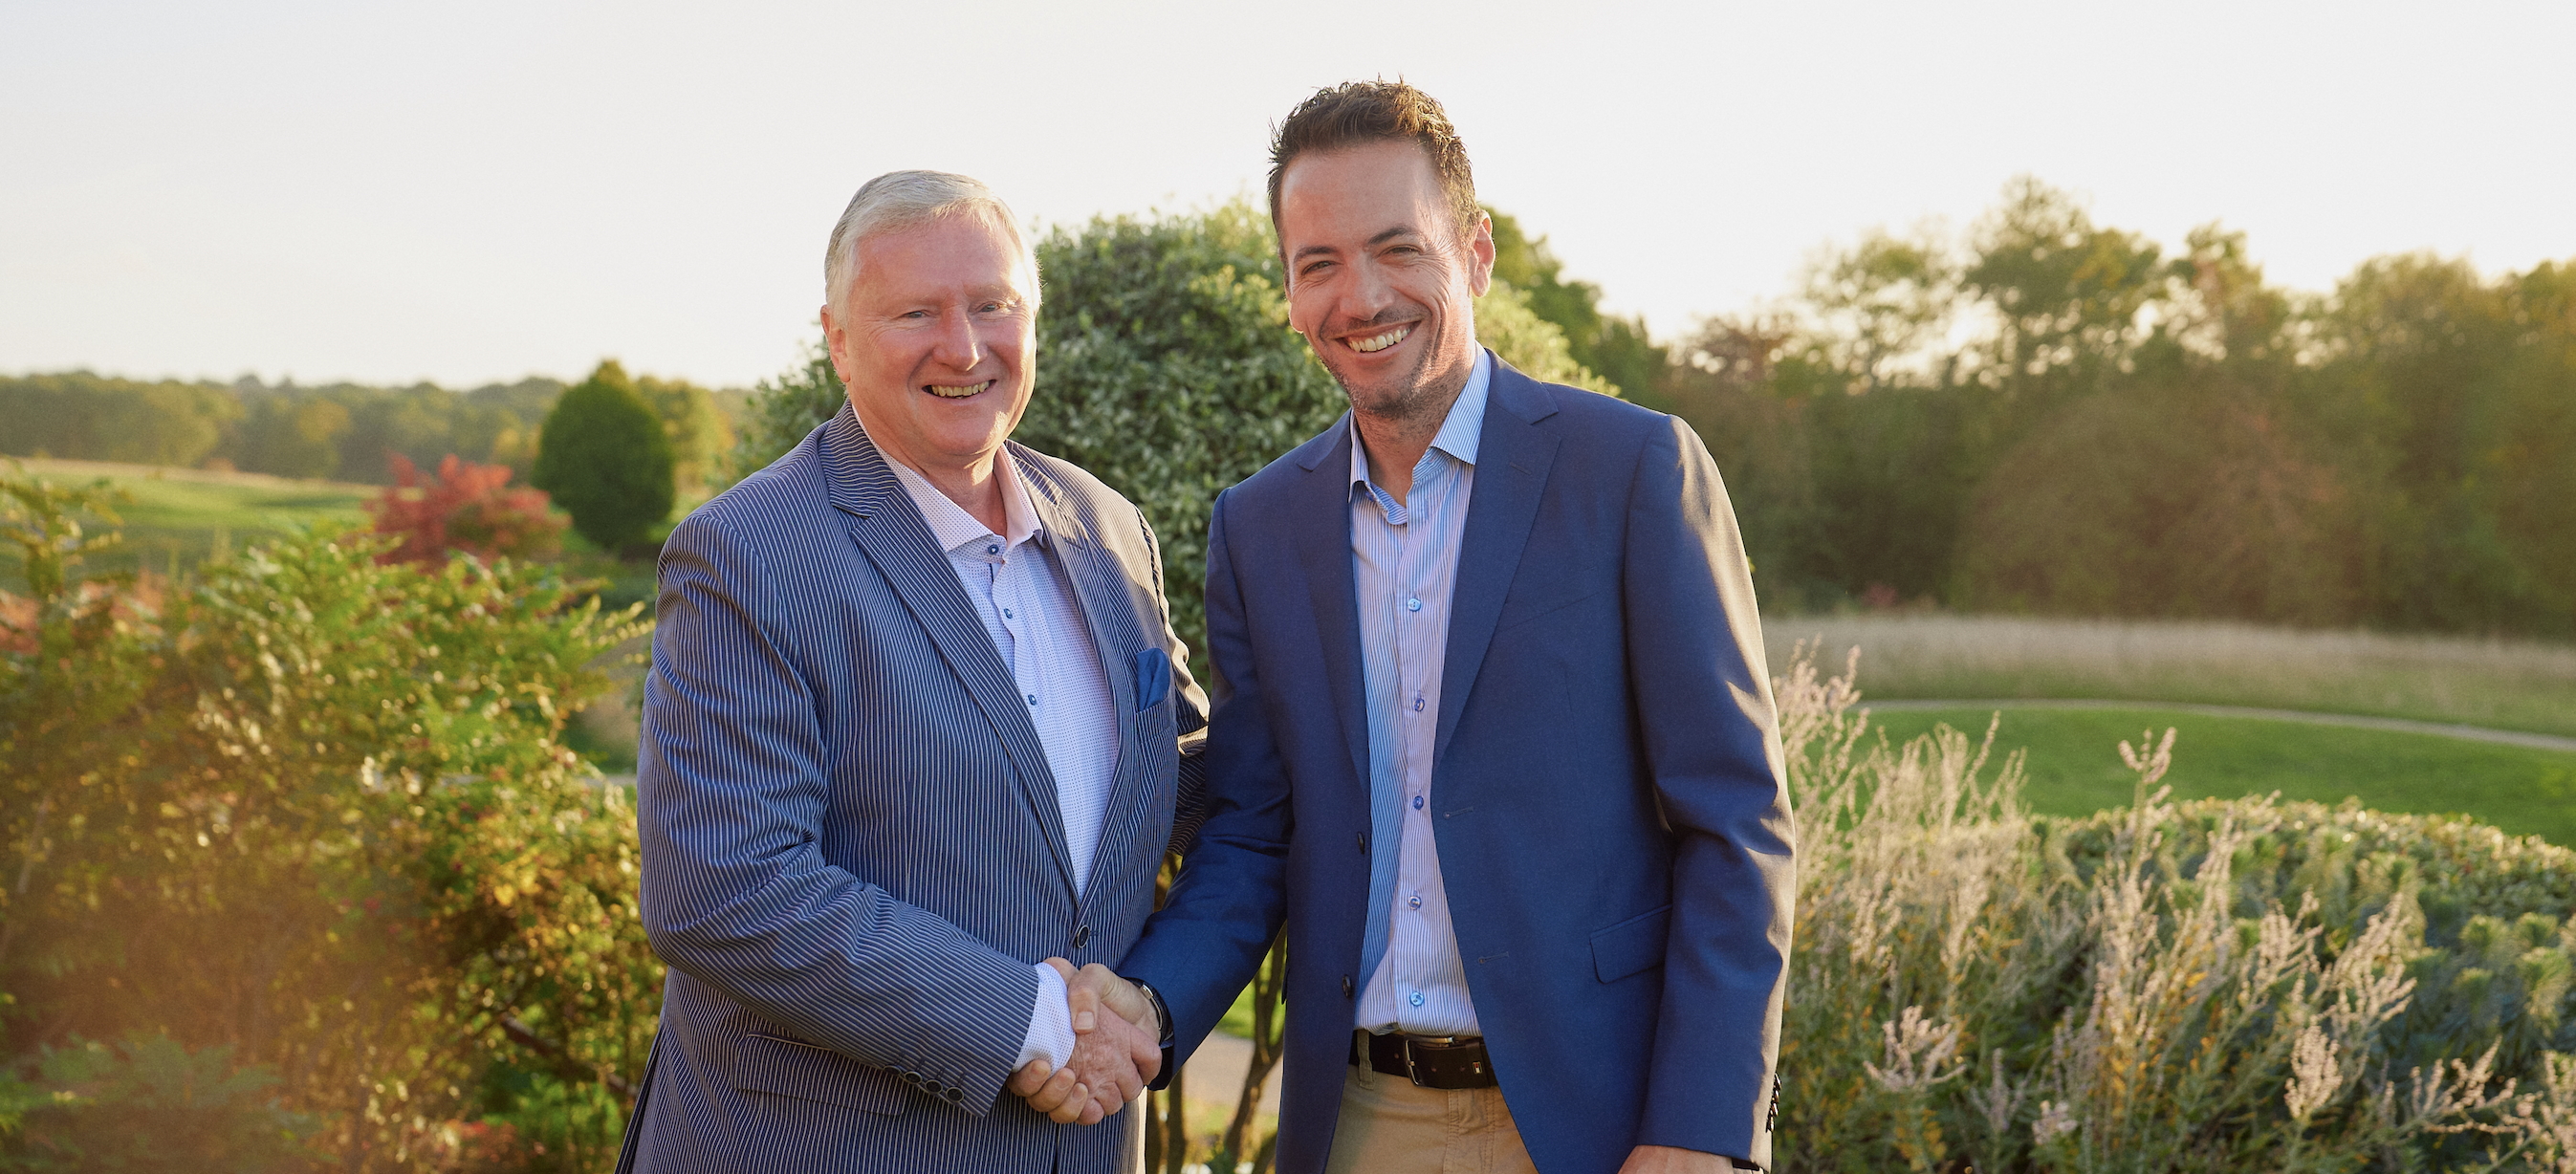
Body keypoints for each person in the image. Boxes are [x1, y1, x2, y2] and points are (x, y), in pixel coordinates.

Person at [1087, 82, 1798, 1173]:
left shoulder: (1633, 471)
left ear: (1475, 253)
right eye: (1317, 261)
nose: (1360, 295)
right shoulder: (1259, 526)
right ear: (1286, 290)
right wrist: (1146, 1006)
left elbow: (1736, 823)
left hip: (1597, 1121)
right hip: (1359, 1123)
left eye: (1396, 248)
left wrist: (1700, 1132)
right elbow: (1252, 832)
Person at [618, 169, 1203, 1173]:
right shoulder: (749, 555)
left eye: (993, 306)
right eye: (915, 313)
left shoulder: (1108, 529)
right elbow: (723, 883)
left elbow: (1199, 785)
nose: (964, 347)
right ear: (838, 339)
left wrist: (1146, 1003)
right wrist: (1030, 1020)